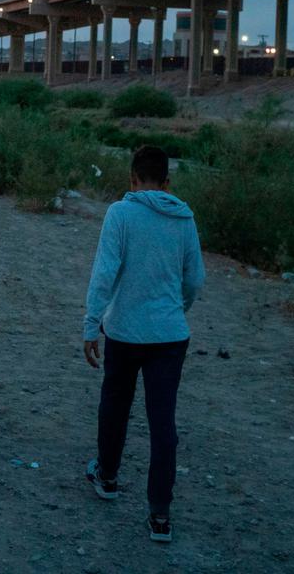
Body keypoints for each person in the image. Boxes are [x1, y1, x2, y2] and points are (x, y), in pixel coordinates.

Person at [81, 145, 207, 545]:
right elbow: (195, 279)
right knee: (162, 421)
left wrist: (90, 324)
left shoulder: (121, 212)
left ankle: (108, 476)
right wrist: (176, 308)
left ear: (132, 179)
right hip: (170, 335)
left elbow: (105, 272)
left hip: (124, 331)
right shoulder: (184, 219)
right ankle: (160, 516)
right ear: (167, 182)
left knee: (115, 405)